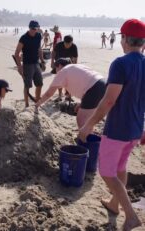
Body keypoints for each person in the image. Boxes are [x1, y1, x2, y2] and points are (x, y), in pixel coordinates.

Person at [79, 19, 145, 231]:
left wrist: (88, 125)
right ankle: (115, 204)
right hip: (135, 128)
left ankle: (132, 216)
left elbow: (109, 100)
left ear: (124, 39)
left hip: (118, 129)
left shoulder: (120, 63)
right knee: (120, 167)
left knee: (107, 172)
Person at [36, 58, 106, 128]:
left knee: (81, 119)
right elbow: (86, 82)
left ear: (59, 66)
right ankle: (86, 134)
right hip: (104, 84)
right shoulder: (76, 66)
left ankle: (83, 138)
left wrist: (38, 104)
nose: (56, 73)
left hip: (94, 89)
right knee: (88, 118)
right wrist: (82, 104)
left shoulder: (63, 71)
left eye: (56, 69)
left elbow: (49, 93)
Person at [14, 20, 45, 107]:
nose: (34, 30)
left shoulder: (38, 36)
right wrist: (20, 67)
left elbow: (39, 49)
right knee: (27, 86)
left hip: (36, 63)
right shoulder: (24, 38)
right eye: (32, 28)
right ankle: (27, 104)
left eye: (35, 28)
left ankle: (37, 102)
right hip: (27, 64)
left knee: (40, 84)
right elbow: (17, 53)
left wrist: (42, 61)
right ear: (29, 28)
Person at [51, 35, 78, 99]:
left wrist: (74, 67)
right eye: (66, 44)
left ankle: (68, 95)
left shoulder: (74, 47)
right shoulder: (59, 45)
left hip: (69, 64)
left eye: (69, 44)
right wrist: (52, 62)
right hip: (59, 63)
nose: (67, 45)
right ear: (64, 42)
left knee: (69, 80)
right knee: (60, 80)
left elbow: (75, 58)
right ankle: (60, 95)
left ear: (72, 42)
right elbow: (53, 52)